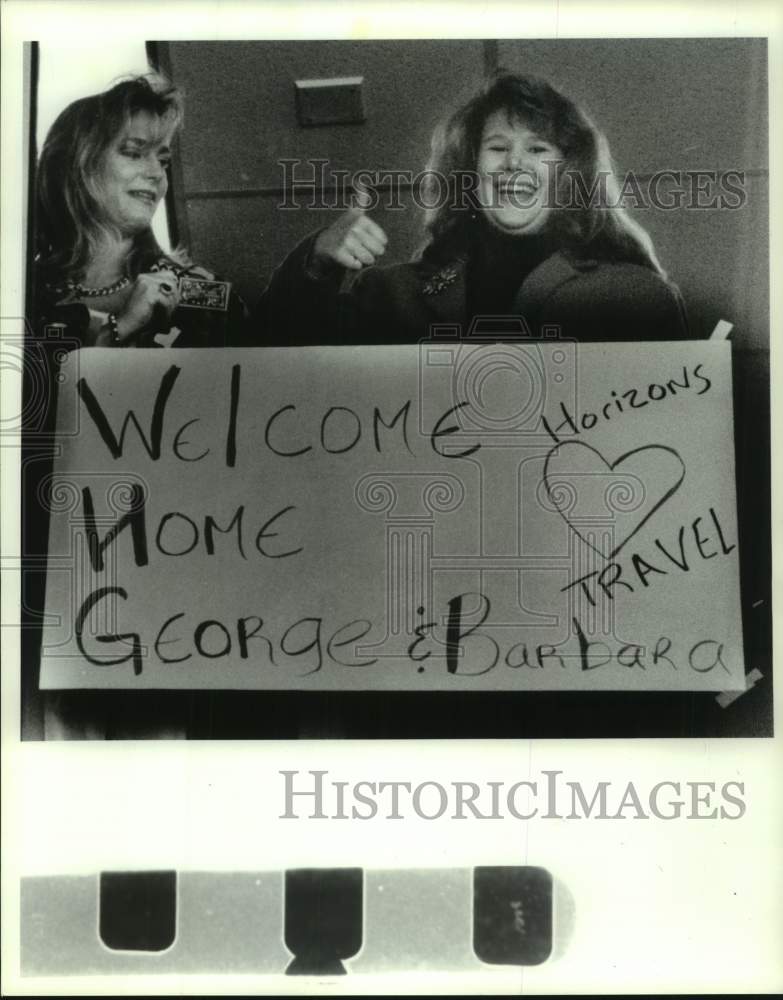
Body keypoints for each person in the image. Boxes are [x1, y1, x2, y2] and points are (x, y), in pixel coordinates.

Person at [259, 71, 689, 344]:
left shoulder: (635, 297)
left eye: (538, 148)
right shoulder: (389, 296)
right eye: (497, 147)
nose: (515, 163)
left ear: (569, 172)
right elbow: (275, 356)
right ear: (469, 168)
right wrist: (316, 260)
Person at [32, 73, 248, 349]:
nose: (156, 173)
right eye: (134, 153)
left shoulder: (200, 290)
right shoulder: (23, 291)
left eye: (163, 161)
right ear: (76, 166)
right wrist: (121, 327)